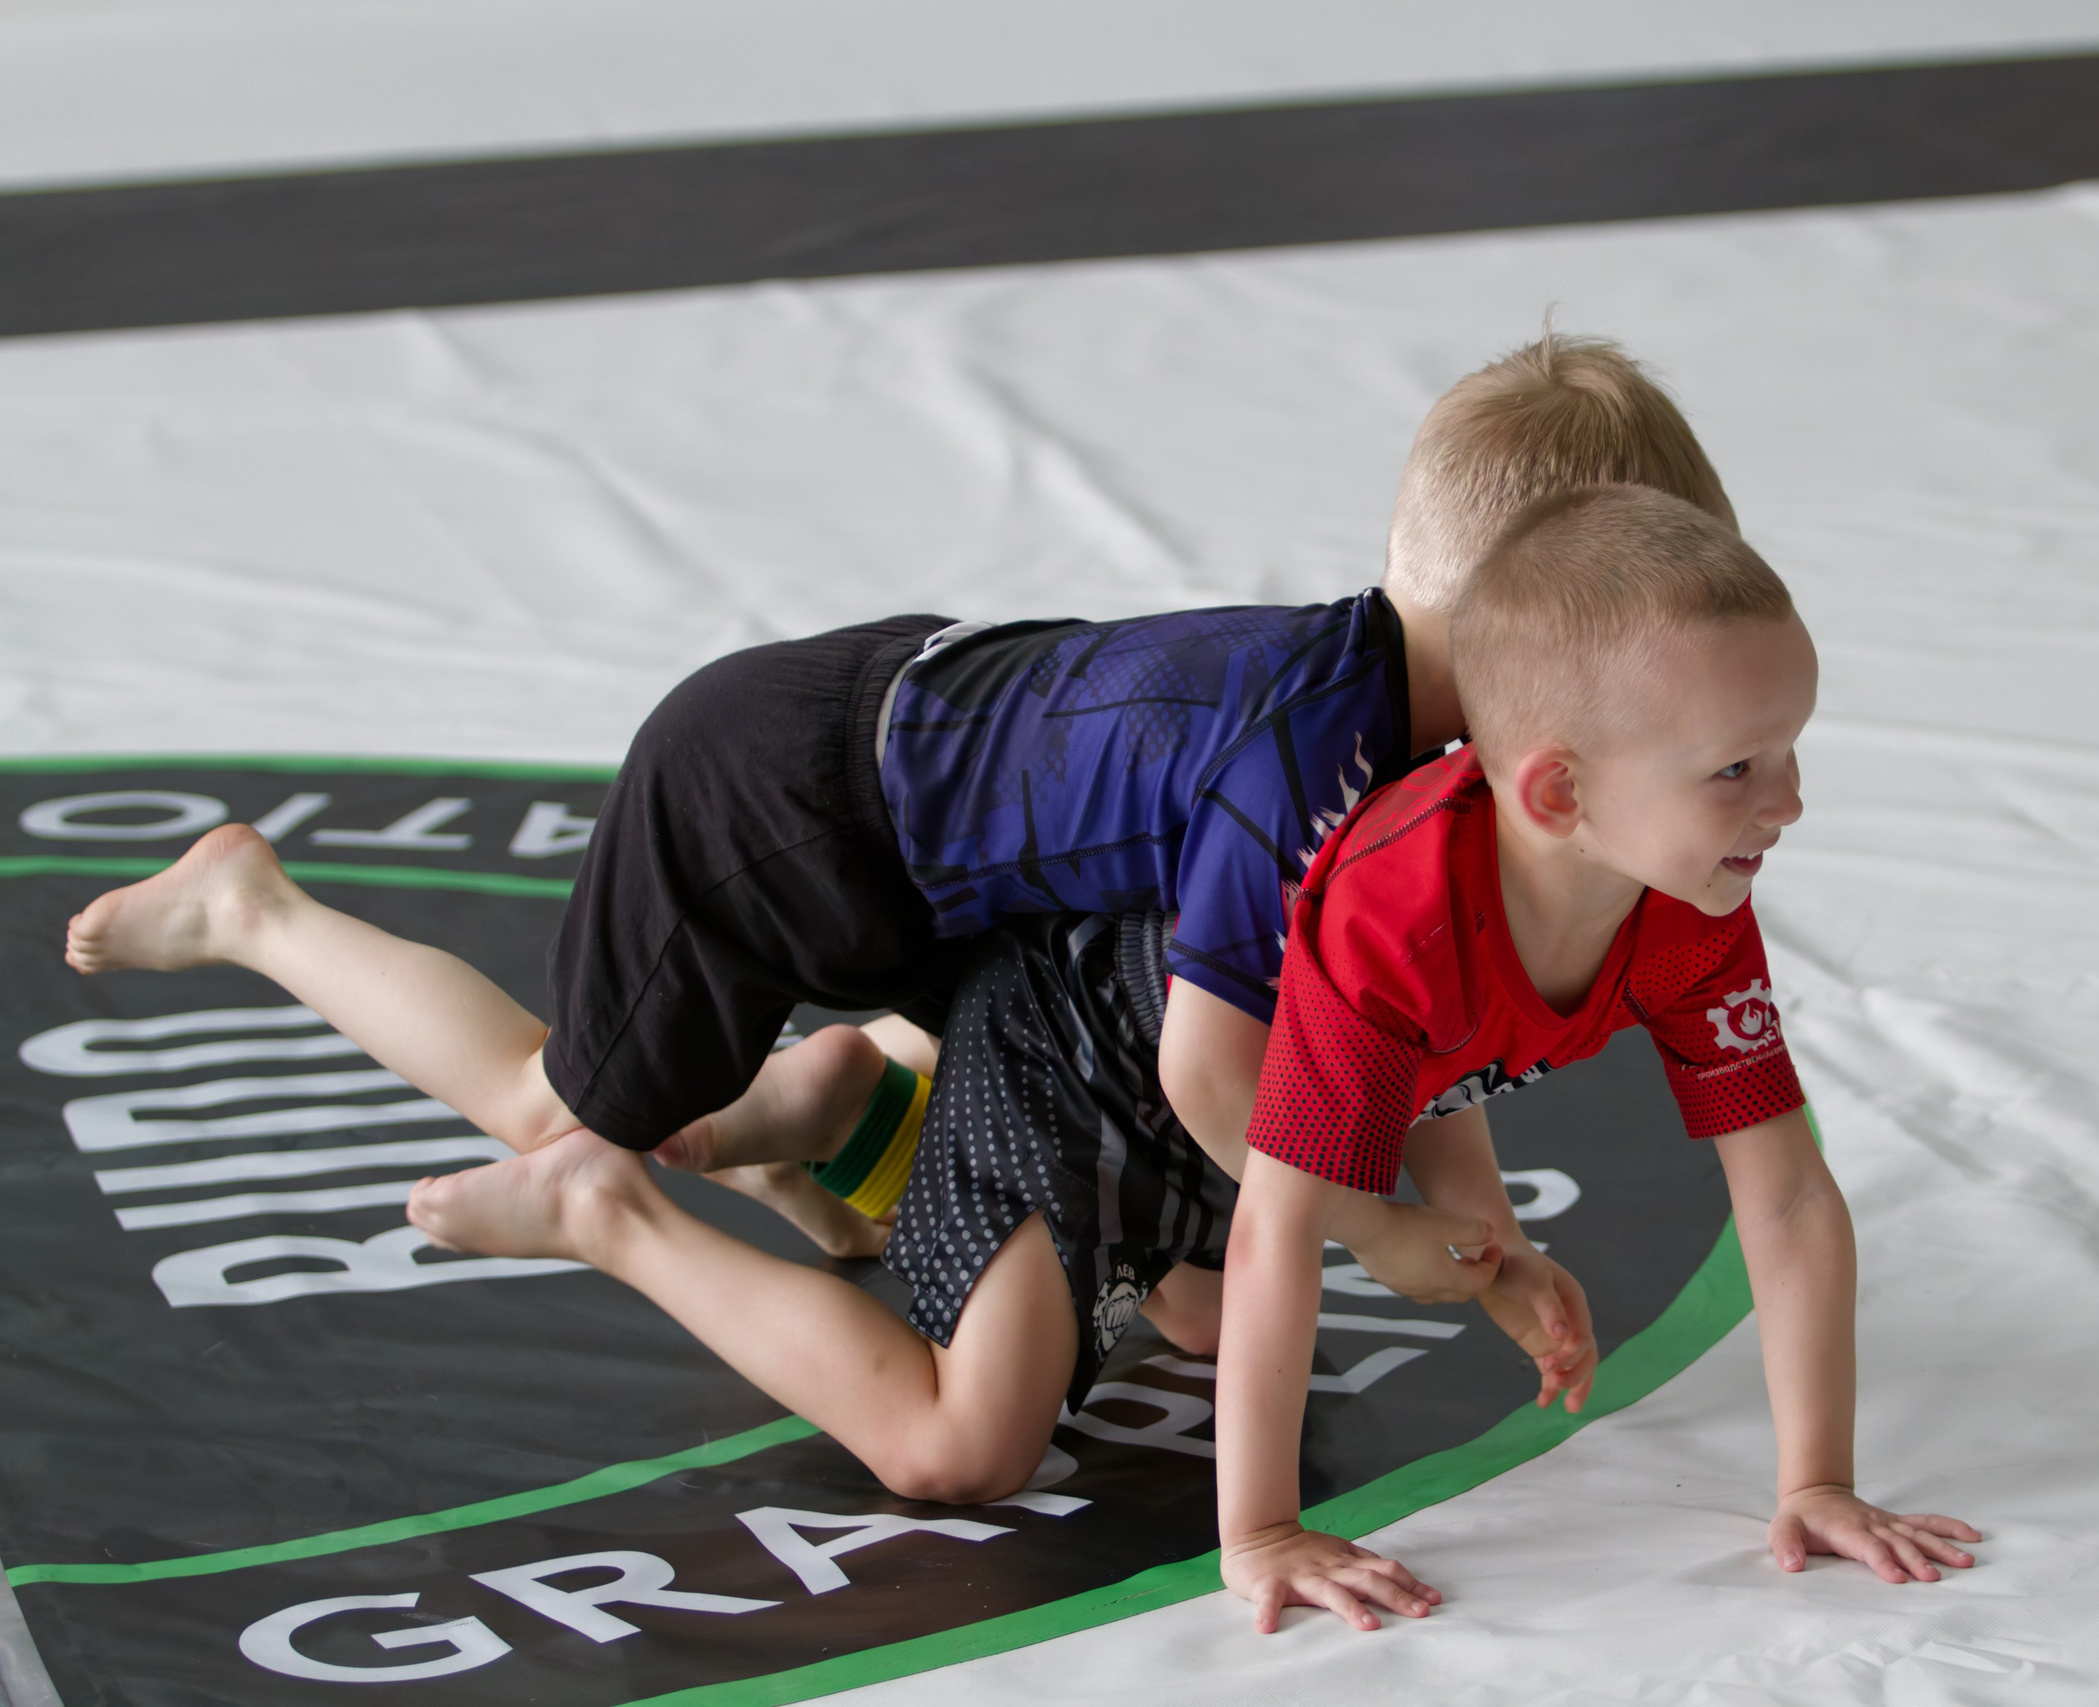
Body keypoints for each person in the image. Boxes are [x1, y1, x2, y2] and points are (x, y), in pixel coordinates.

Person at [60, 333, 1723, 1501]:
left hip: (964, 860)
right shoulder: (1315, 750)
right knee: (563, 1108)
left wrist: (1474, 1232)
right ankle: (257, 909)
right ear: (1537, 628)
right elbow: (1226, 1080)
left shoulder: (1419, 739)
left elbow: (1389, 1013)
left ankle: (836, 1104)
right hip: (791, 797)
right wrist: (1365, 1227)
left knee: (1178, 1270)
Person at [1214, 485, 1984, 1632]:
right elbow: (1277, 1223)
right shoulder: (1397, 915)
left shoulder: (1691, 902)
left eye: (1789, 751)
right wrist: (1261, 1533)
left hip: (1320, 1090)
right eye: (1737, 770)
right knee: (973, 1440)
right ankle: (897, 1083)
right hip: (1117, 1058)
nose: (1790, 802)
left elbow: (1783, 1198)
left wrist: (1817, 1481)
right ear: (1561, 791)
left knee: (1180, 1317)